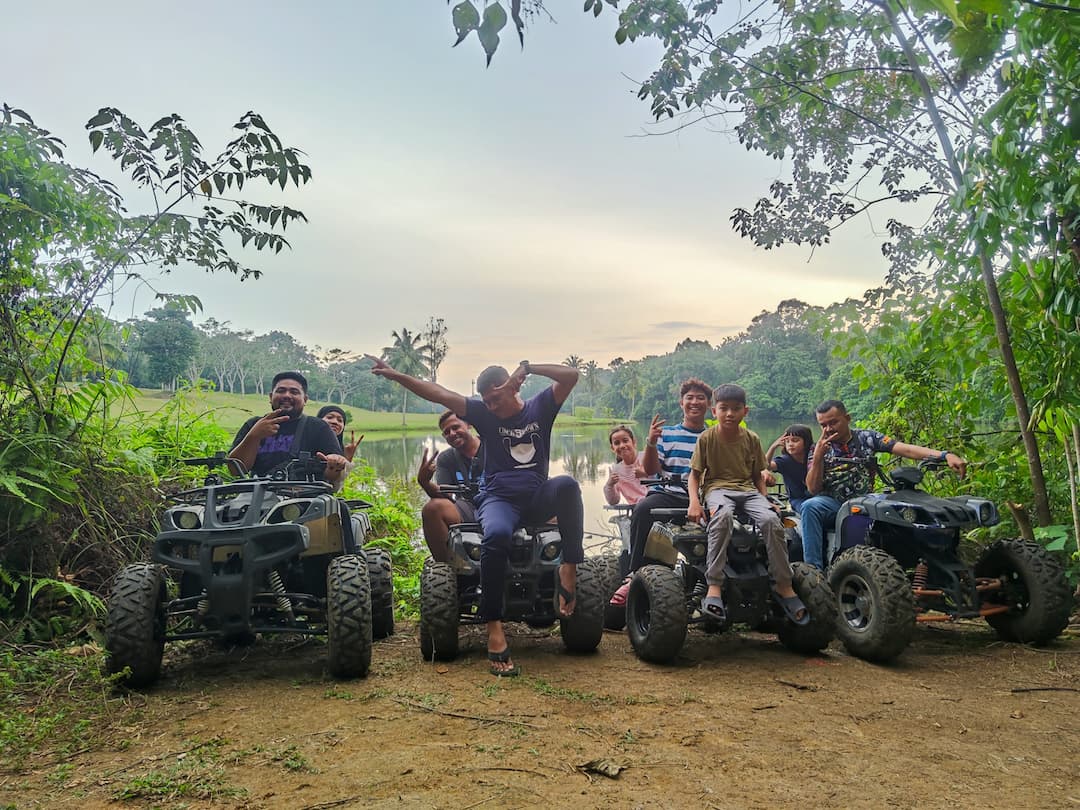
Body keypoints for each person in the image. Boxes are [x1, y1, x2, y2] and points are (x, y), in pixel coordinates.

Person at [369, 357, 582, 677]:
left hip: (536, 496)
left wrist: (527, 368)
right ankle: (494, 627)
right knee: (495, 535)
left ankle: (569, 568)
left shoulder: (540, 408)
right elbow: (438, 393)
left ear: (512, 387)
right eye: (486, 401)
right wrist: (397, 376)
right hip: (499, 499)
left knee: (567, 485)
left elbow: (571, 375)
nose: (491, 406)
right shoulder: (483, 415)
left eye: (495, 398)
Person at [686, 384, 807, 624]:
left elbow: (757, 475)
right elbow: (695, 475)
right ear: (714, 411)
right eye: (724, 408)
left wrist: (765, 499)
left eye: (736, 408)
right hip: (717, 489)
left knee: (772, 520)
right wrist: (694, 502)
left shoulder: (752, 438)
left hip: (748, 490)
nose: (730, 414)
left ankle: (783, 583)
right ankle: (714, 584)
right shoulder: (706, 438)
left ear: (745, 411)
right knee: (721, 517)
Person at [801, 399, 967, 569]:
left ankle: (925, 562)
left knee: (905, 508)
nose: (829, 429)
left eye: (833, 422)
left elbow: (906, 449)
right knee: (810, 506)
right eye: (823, 425)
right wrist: (818, 457)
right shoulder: (818, 448)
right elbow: (813, 488)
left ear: (847, 418)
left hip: (865, 500)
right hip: (833, 502)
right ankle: (814, 571)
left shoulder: (866, 438)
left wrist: (944, 455)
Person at [606, 379, 712, 611]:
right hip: (670, 493)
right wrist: (652, 442)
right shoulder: (668, 433)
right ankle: (634, 574)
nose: (694, 402)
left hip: (704, 497)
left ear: (709, 404)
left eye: (700, 398)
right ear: (681, 403)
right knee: (644, 509)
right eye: (690, 398)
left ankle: (710, 583)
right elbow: (651, 469)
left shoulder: (713, 436)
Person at [229, 371, 349, 486]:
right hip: (258, 495)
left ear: (305, 399)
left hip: (307, 496)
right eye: (281, 391)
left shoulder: (319, 427)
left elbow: (334, 477)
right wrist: (254, 436)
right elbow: (235, 470)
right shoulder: (253, 425)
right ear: (271, 397)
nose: (287, 395)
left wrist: (334, 466)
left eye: (294, 392)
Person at [417, 411, 483, 562]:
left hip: (499, 504)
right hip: (467, 507)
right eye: (446, 432)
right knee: (433, 508)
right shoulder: (446, 458)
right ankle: (446, 568)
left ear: (468, 425)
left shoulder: (492, 446)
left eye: (455, 427)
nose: (452, 433)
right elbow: (445, 495)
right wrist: (424, 482)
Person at [764, 424, 813, 515]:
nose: (790, 444)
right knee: (809, 509)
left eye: (795, 440)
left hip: (816, 496)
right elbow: (766, 466)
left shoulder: (813, 457)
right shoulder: (785, 461)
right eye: (787, 441)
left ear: (806, 442)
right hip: (798, 499)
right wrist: (773, 446)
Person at [603, 424, 647, 506]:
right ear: (612, 448)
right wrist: (610, 484)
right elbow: (613, 501)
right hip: (636, 510)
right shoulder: (616, 470)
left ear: (634, 442)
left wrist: (646, 473)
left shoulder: (646, 457)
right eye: (617, 443)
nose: (622, 446)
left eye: (625, 441)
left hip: (654, 505)